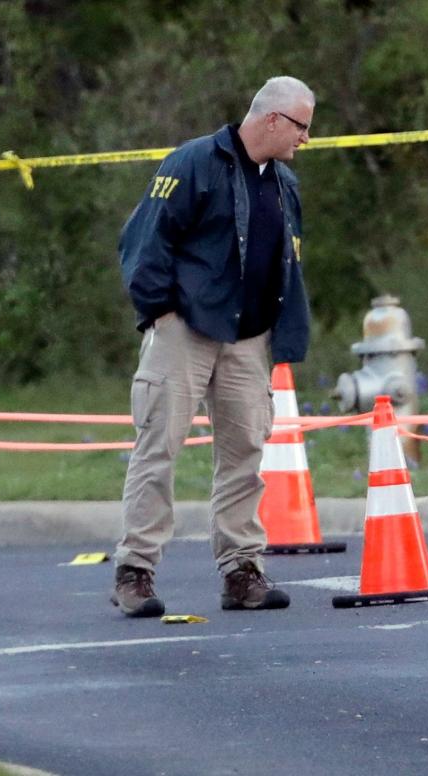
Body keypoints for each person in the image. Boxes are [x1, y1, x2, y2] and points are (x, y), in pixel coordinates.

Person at [112, 76, 315, 617]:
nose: (306, 139)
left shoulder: (284, 183)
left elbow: (286, 263)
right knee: (159, 448)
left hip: (247, 337)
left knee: (245, 454)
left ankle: (242, 570)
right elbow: (144, 239)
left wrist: (281, 328)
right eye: (302, 127)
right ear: (272, 120)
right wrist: (162, 310)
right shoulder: (193, 162)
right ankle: (135, 570)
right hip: (185, 329)